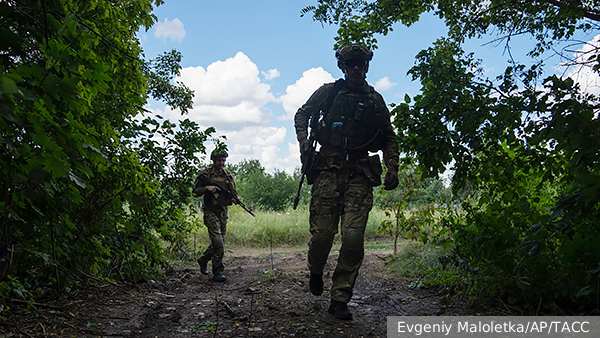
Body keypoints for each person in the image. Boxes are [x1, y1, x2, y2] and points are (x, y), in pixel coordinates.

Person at [294, 43, 400, 320]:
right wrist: (304, 142)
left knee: (353, 239)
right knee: (322, 237)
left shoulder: (375, 100)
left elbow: (389, 136)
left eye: (360, 64)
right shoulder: (328, 93)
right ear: (342, 67)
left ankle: (340, 298)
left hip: (359, 173)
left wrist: (393, 167)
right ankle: (315, 270)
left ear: (366, 67)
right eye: (350, 64)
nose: (355, 68)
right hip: (327, 170)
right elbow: (302, 114)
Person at [193, 149, 238, 282]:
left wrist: (235, 198)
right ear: (213, 160)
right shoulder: (205, 174)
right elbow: (195, 191)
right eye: (219, 160)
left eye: (223, 161)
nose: (221, 163)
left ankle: (203, 260)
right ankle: (218, 271)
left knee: (220, 243)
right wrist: (207, 188)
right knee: (217, 241)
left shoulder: (227, 175)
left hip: (223, 211)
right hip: (210, 210)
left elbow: (233, 192)